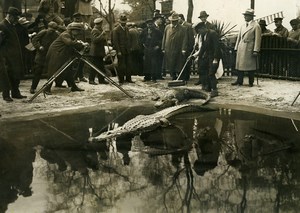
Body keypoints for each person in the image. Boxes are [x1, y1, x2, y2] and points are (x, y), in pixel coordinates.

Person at [44, 22, 86, 94]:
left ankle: (73, 86)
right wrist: (82, 44)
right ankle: (46, 88)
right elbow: (69, 43)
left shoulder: (71, 35)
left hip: (62, 54)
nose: (79, 32)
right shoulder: (65, 34)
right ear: (73, 30)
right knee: (54, 71)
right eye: (78, 30)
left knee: (68, 71)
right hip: (56, 54)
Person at [0, 7, 27, 102]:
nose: (16, 20)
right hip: (7, 56)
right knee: (6, 76)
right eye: (15, 18)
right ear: (10, 16)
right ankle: (6, 95)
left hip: (14, 55)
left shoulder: (11, 25)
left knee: (15, 74)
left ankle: (15, 93)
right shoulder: (2, 25)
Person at [232, 9, 261, 87]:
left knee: (250, 66)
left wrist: (256, 50)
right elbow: (239, 38)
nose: (245, 17)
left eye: (246, 15)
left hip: (249, 48)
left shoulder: (256, 26)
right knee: (240, 65)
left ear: (251, 16)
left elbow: (257, 39)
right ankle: (239, 80)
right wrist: (236, 47)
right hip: (241, 47)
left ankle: (251, 82)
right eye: (244, 15)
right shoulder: (242, 26)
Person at [191, 22, 221, 97]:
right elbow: (203, 48)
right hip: (208, 56)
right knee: (202, 69)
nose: (199, 33)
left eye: (199, 31)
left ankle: (214, 90)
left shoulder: (212, 33)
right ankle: (207, 86)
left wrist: (215, 59)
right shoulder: (204, 35)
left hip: (214, 56)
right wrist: (194, 56)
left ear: (203, 28)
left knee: (211, 72)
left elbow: (217, 47)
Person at [30, 21, 59, 94]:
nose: (52, 31)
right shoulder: (43, 32)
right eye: (51, 30)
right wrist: (39, 46)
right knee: (37, 72)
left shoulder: (56, 34)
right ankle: (33, 88)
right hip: (41, 55)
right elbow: (34, 40)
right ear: (48, 27)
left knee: (51, 72)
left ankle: (47, 89)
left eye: (53, 30)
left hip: (50, 55)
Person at [161, 12, 187, 80]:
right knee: (170, 63)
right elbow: (164, 37)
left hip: (178, 47)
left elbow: (185, 39)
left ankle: (179, 75)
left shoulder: (183, 28)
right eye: (172, 21)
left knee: (178, 63)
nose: (173, 22)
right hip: (169, 48)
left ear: (177, 21)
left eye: (175, 21)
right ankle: (173, 75)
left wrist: (183, 48)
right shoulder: (167, 27)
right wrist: (163, 47)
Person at [112, 14, 133, 84]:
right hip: (121, 50)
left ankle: (128, 78)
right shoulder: (116, 30)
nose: (124, 23)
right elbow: (115, 42)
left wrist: (129, 47)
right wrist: (118, 51)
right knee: (121, 65)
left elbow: (129, 39)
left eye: (125, 22)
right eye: (122, 22)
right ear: (119, 22)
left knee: (128, 64)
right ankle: (121, 79)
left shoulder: (126, 28)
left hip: (127, 50)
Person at [88, 17, 109, 85]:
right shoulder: (94, 30)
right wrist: (102, 35)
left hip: (99, 51)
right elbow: (95, 40)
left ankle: (101, 79)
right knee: (94, 66)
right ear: (99, 24)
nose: (101, 25)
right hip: (95, 52)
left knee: (101, 66)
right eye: (101, 24)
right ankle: (91, 80)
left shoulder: (99, 29)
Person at [178, 14, 195, 82]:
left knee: (187, 62)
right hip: (181, 46)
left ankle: (186, 76)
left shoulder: (188, 26)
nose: (178, 20)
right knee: (181, 62)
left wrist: (189, 47)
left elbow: (190, 38)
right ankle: (182, 76)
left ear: (182, 18)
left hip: (187, 47)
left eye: (179, 19)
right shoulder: (179, 26)